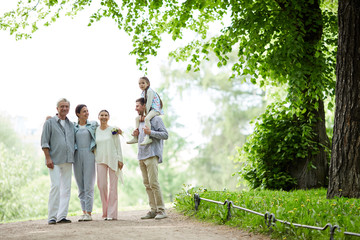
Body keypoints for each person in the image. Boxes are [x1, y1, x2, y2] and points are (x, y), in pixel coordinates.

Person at [130, 97, 168, 220]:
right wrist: (136, 134)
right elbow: (142, 137)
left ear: (145, 105)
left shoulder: (155, 119)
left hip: (152, 155)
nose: (135, 108)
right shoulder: (140, 121)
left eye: (137, 106)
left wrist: (150, 132)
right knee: (147, 184)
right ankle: (153, 210)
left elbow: (165, 135)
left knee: (154, 183)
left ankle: (161, 210)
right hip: (141, 155)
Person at [41, 98, 75, 225]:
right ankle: (52, 216)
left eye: (66, 106)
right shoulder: (49, 123)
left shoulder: (71, 125)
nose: (64, 109)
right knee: (55, 186)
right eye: (62, 106)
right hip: (54, 160)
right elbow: (44, 141)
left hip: (68, 160)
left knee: (66, 188)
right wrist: (48, 158)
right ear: (57, 108)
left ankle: (62, 216)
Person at [95, 110, 124, 221]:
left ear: (109, 117)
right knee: (102, 186)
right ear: (98, 117)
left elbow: (118, 145)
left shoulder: (113, 130)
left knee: (113, 188)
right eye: (102, 115)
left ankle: (112, 214)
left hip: (113, 159)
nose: (104, 117)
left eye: (106, 115)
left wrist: (120, 159)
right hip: (100, 160)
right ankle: (105, 212)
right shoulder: (95, 130)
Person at [73, 104, 98, 222]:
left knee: (89, 184)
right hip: (77, 155)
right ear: (78, 114)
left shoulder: (93, 124)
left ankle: (89, 212)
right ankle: (84, 212)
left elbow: (105, 129)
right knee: (80, 185)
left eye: (87, 111)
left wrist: (115, 131)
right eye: (84, 111)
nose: (87, 113)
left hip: (89, 154)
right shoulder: (73, 126)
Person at [127, 76, 164, 146]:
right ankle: (136, 137)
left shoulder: (150, 91)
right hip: (150, 109)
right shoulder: (143, 92)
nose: (141, 85)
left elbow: (148, 104)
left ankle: (148, 137)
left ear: (148, 84)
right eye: (139, 83)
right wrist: (141, 115)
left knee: (147, 118)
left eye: (143, 83)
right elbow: (143, 104)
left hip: (155, 109)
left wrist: (145, 114)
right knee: (137, 118)